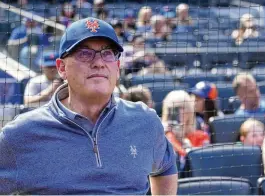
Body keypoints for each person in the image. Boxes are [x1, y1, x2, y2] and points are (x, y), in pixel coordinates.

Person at [0, 17, 177, 194]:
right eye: (84, 53)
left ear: (117, 66)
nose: (99, 63)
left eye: (107, 53)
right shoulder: (21, 133)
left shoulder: (144, 121)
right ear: (62, 68)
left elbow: (165, 166)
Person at [162, 90, 210, 170]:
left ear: (189, 110)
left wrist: (189, 148)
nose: (178, 113)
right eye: (173, 109)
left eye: (182, 108)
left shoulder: (201, 136)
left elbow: (204, 164)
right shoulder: (163, 138)